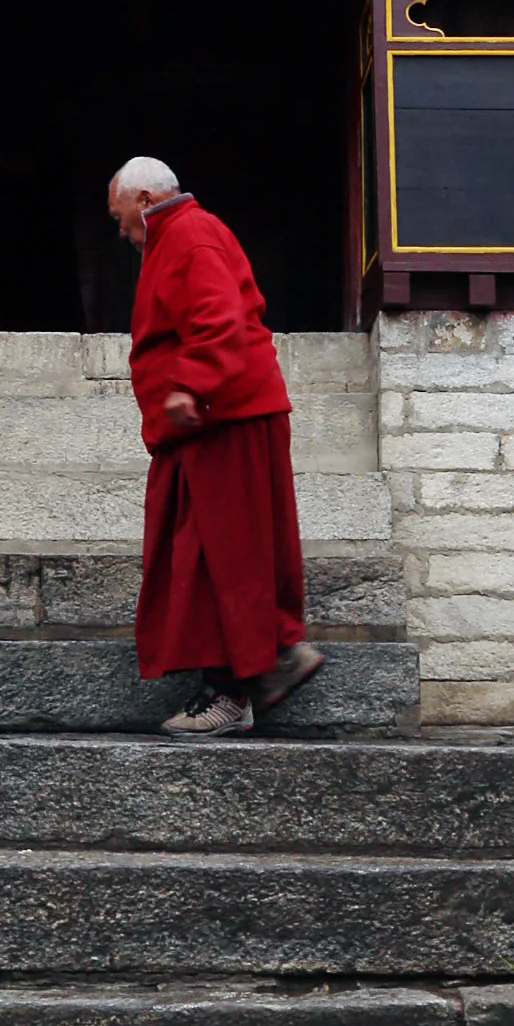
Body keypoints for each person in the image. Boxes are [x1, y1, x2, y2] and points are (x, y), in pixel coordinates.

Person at [109, 157, 322, 737]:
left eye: (121, 216)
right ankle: (275, 656)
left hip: (224, 414)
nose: (121, 230)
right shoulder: (178, 236)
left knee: (220, 551)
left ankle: (233, 691)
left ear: (146, 200)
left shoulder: (192, 235)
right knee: (218, 549)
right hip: (211, 421)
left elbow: (220, 316)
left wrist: (193, 383)